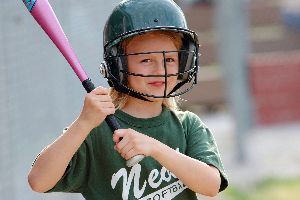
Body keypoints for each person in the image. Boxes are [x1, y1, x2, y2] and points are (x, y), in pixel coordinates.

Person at [28, 0, 228, 199]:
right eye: (146, 60)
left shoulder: (187, 126)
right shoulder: (96, 130)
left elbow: (211, 185)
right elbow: (38, 181)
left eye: (169, 59)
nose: (160, 71)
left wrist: (155, 148)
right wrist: (83, 123)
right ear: (118, 66)